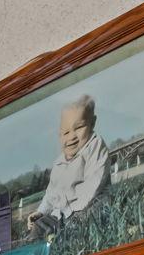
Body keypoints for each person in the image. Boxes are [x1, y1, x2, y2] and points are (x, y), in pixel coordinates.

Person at [32, 94, 111, 230]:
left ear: (92, 123)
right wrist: (41, 212)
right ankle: (35, 237)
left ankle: (62, 230)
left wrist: (67, 214)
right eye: (66, 132)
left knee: (95, 211)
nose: (72, 137)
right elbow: (51, 193)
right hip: (64, 214)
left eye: (79, 127)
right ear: (59, 135)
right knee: (39, 228)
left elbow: (93, 185)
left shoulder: (94, 146)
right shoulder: (59, 162)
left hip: (90, 205)